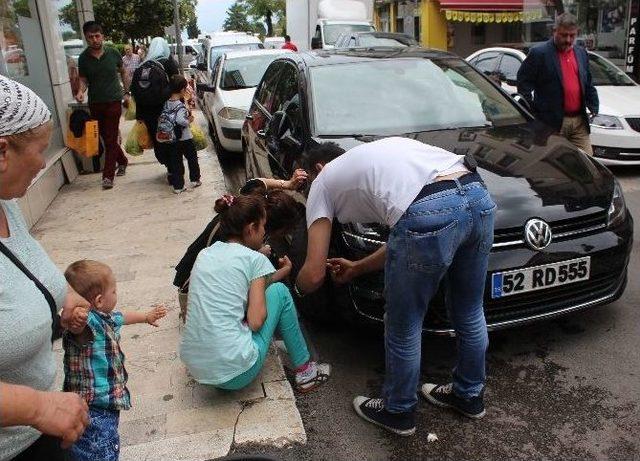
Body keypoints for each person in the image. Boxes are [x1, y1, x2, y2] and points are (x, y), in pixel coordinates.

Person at [294, 138, 496, 436]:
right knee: (469, 309)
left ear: (318, 168)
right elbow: (408, 237)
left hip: (430, 208)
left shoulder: (322, 181)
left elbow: (313, 275)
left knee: (403, 323)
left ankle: (398, 411)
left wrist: (292, 289)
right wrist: (357, 268)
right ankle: (469, 395)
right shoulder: (381, 158)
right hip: (477, 195)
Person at [0, 75, 91, 461]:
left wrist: (64, 296)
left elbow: (23, 269)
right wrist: (37, 407)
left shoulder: (6, 204)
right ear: (2, 151)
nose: (43, 161)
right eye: (40, 149)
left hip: (37, 439)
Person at [179, 194, 330, 393]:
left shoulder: (205, 254)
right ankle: (305, 372)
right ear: (251, 229)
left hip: (198, 370)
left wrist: (282, 272)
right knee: (281, 292)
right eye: (263, 226)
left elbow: (245, 286)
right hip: (237, 374)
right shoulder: (255, 260)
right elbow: (256, 321)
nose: (265, 232)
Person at [63, 260, 167, 461]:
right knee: (101, 450)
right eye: (115, 291)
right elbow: (76, 329)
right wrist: (76, 317)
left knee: (96, 447)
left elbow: (122, 317)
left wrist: (146, 316)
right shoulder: (89, 322)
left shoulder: (104, 317)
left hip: (104, 404)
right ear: (100, 300)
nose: (116, 295)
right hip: (92, 408)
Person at [173, 170, 308, 295]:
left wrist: (287, 184)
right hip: (195, 283)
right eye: (284, 231)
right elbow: (252, 284)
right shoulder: (235, 245)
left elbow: (257, 183)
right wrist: (266, 258)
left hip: (194, 265)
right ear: (254, 229)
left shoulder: (250, 204)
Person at [517, 12, 599, 155]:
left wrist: (594, 105)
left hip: (579, 122)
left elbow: (587, 82)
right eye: (563, 35)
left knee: (587, 163)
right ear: (554, 31)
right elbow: (523, 84)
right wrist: (533, 114)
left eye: (572, 35)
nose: (568, 40)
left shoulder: (581, 53)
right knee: (553, 166)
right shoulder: (539, 53)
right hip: (551, 124)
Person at [75, 21, 129, 190]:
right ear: (86, 38)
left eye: (97, 36)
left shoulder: (113, 53)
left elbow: (124, 71)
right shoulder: (83, 58)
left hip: (113, 101)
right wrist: (80, 91)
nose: (95, 40)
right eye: (90, 37)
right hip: (95, 103)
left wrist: (127, 92)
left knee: (111, 137)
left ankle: (108, 176)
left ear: (102, 36)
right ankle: (123, 161)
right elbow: (83, 79)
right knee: (105, 137)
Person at [131, 37, 180, 173]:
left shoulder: (142, 66)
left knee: (157, 140)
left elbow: (134, 91)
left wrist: (139, 115)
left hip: (147, 114)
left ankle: (166, 164)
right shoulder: (168, 62)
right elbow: (177, 83)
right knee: (170, 139)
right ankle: (173, 170)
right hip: (165, 110)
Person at [159, 75, 201, 194]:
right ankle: (195, 180)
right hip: (185, 137)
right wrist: (189, 120)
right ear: (182, 90)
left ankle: (178, 186)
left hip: (172, 138)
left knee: (176, 162)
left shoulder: (166, 103)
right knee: (192, 158)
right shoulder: (180, 106)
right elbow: (180, 120)